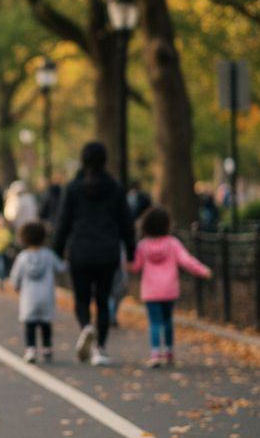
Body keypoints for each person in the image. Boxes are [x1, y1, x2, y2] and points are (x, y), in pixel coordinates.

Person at [53, 142, 136, 366]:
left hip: (80, 249)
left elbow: (63, 222)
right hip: (107, 250)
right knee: (103, 299)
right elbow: (126, 222)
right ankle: (100, 348)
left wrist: (57, 250)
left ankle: (86, 327)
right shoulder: (116, 187)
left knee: (81, 298)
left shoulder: (73, 188)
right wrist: (131, 251)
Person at [130, 206, 212, 367]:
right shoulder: (172, 243)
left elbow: (135, 267)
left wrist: (125, 262)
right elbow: (186, 260)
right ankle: (168, 351)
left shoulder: (143, 246)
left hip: (151, 290)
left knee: (154, 322)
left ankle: (155, 353)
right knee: (167, 321)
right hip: (169, 289)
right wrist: (202, 270)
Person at [10, 221, 65, 363]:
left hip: (29, 297)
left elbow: (15, 277)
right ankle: (47, 348)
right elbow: (60, 268)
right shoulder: (48, 255)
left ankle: (31, 349)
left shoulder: (22, 257)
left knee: (30, 324)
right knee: (45, 323)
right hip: (46, 296)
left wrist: (16, 286)